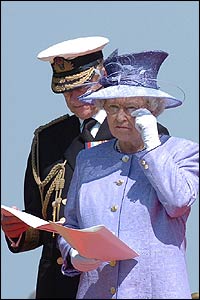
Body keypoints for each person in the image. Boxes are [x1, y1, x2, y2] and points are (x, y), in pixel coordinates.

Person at [1, 37, 169, 298]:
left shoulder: (138, 132)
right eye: (68, 91)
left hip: (118, 280)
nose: (77, 98)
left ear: (103, 78)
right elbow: (41, 218)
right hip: (57, 284)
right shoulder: (48, 138)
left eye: (84, 86)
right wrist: (17, 229)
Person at [57, 50, 199, 299]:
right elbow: (72, 225)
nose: (120, 117)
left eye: (131, 108)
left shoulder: (182, 152)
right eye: (112, 107)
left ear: (152, 111)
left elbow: (178, 202)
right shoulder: (88, 159)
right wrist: (74, 254)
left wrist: (152, 146)